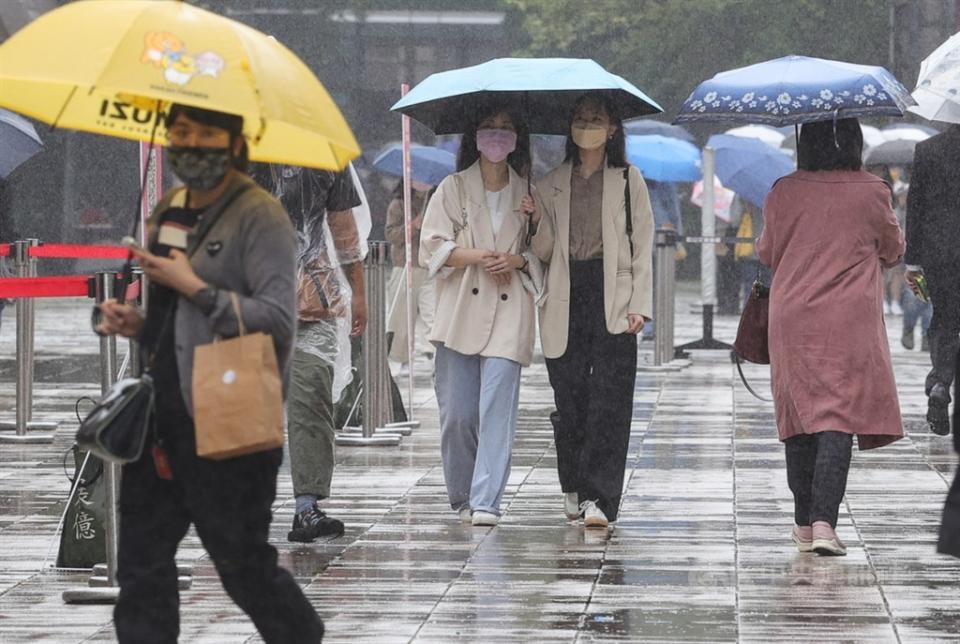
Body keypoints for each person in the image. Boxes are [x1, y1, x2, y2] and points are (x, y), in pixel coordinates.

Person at [96, 104, 323, 643]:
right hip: (162, 414)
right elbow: (172, 321)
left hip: (233, 416)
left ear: (235, 145)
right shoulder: (170, 212)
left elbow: (277, 321)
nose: (191, 145)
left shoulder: (259, 215)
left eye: (206, 134)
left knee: (241, 562)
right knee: (142, 564)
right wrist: (137, 324)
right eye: (181, 133)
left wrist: (194, 284)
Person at [757, 118, 904, 557]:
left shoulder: (784, 190)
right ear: (855, 142)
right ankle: (824, 522)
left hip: (793, 317)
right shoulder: (873, 190)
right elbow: (893, 249)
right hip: (848, 319)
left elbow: (767, 252)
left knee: (799, 415)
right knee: (837, 415)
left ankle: (805, 522)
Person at [532, 93, 654, 530]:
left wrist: (640, 304)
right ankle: (574, 484)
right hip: (566, 295)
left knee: (610, 401)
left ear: (613, 129)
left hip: (614, 296)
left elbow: (642, 247)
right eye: (580, 118)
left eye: (596, 119)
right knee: (571, 401)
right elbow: (542, 252)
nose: (587, 126)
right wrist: (536, 218)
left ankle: (600, 498)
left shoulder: (628, 181)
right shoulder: (548, 184)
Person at [419, 104, 542, 527]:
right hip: (459, 312)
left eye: (506, 128)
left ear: (517, 139)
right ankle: (462, 495)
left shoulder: (528, 192)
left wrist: (519, 257)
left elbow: (542, 254)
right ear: (474, 136)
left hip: (510, 310)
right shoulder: (453, 188)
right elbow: (430, 246)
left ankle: (487, 499)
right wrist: (477, 256)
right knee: (458, 415)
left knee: (496, 408)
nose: (497, 136)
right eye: (490, 128)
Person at [250, 162, 366, 543]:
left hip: (311, 299)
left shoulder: (326, 154)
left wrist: (359, 292)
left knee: (311, 399)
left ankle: (306, 507)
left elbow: (344, 228)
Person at [904, 125, 960, 436]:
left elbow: (917, 207)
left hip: (941, 253)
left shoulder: (928, 149)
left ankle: (941, 380)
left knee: (946, 319)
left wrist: (912, 259)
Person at [384, 179, 436, 363]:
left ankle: (434, 352)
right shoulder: (398, 205)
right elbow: (392, 235)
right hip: (405, 266)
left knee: (433, 312)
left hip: (430, 266)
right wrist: (413, 225)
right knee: (402, 317)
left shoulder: (435, 202)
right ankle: (399, 358)